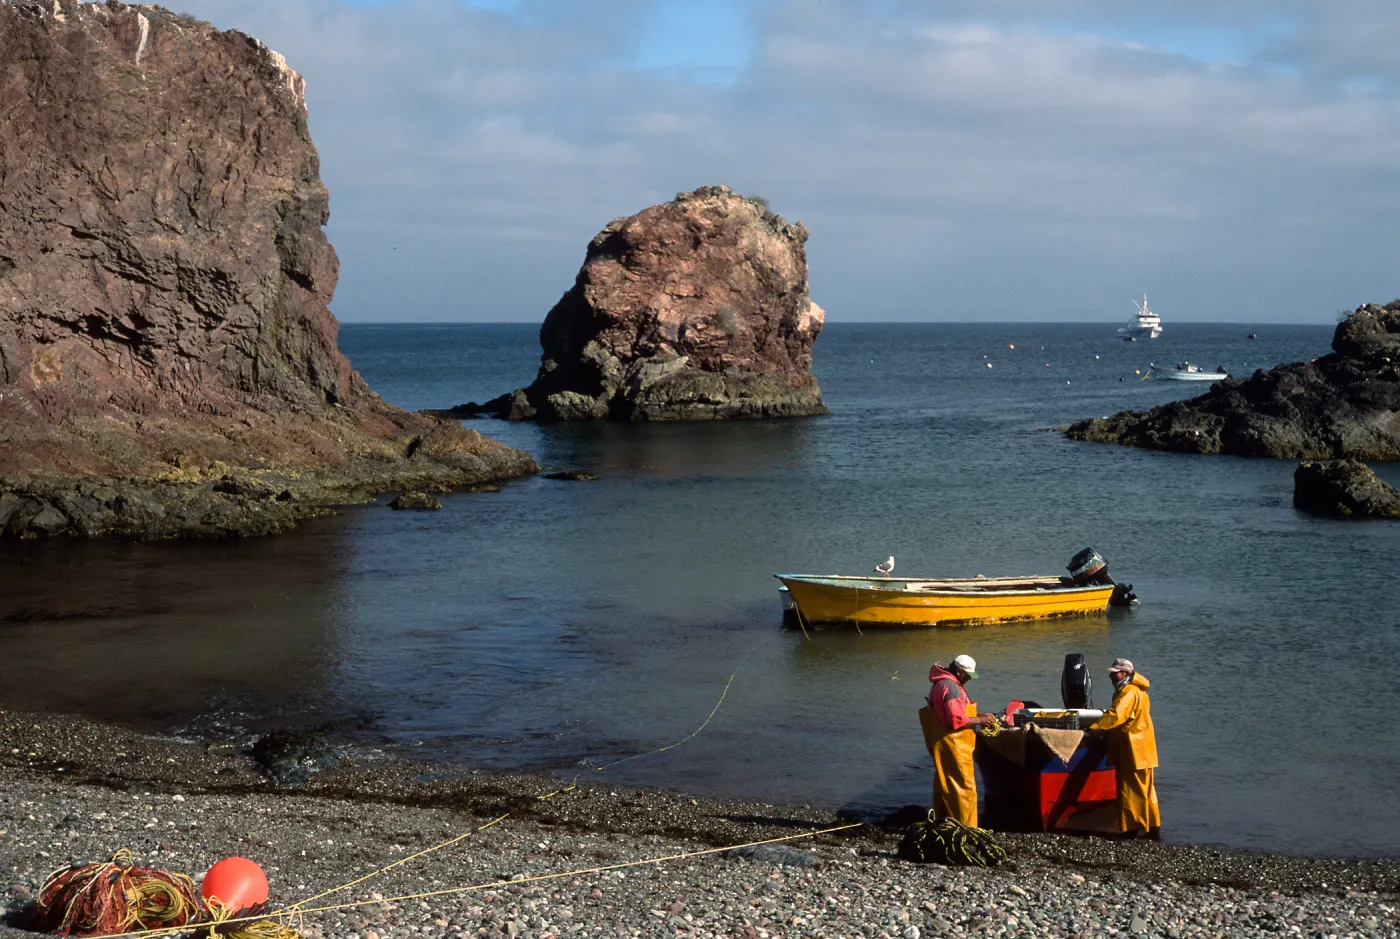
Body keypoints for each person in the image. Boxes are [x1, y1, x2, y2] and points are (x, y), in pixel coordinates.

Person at [919, 653, 997, 826]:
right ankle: (967, 826)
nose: (969, 679)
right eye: (968, 675)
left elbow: (951, 714)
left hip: (941, 742)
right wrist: (981, 720)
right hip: (954, 744)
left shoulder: (939, 683)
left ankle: (944, 821)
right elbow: (955, 720)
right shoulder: (951, 687)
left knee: (945, 783)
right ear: (960, 672)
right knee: (964, 787)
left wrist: (977, 716)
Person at [1088, 657, 1161, 839]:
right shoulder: (1140, 692)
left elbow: (1115, 715)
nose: (1112, 677)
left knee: (1129, 790)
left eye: (1115, 673)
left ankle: (1130, 829)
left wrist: (1094, 729)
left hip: (1132, 749)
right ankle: (1153, 829)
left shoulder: (1127, 692)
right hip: (1145, 750)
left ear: (1126, 673)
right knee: (1146, 790)